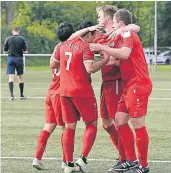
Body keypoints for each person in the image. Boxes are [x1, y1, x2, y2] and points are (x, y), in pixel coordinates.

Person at [71, 5, 140, 170]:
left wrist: (110, 58)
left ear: (108, 18)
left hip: (117, 82)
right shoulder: (100, 36)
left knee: (117, 122)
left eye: (100, 16)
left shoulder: (118, 35)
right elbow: (73, 38)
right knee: (106, 124)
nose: (98, 20)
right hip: (106, 83)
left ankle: (126, 158)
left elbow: (135, 28)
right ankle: (124, 155)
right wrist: (88, 29)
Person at [90, 9, 152, 173]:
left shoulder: (127, 34)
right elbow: (120, 60)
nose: (115, 26)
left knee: (138, 125)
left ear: (120, 23)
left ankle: (144, 166)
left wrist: (103, 47)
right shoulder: (123, 33)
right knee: (119, 119)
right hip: (129, 85)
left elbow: (124, 54)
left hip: (138, 84)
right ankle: (130, 160)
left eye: (116, 23)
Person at [52, 21, 110, 173]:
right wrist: (105, 60)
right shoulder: (84, 47)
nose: (96, 37)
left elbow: (53, 64)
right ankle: (82, 160)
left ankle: (68, 164)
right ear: (89, 33)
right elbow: (90, 68)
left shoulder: (63, 45)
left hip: (64, 92)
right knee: (91, 124)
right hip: (81, 91)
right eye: (94, 34)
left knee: (69, 128)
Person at [32, 22, 76, 171]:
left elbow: (53, 63)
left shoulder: (57, 48)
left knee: (48, 127)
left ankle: (37, 158)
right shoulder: (68, 49)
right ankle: (66, 161)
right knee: (66, 128)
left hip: (50, 92)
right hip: (60, 94)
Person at [3, 27, 28, 100]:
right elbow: (25, 51)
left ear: (12, 31)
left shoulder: (8, 39)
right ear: (19, 31)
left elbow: (5, 50)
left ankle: (11, 96)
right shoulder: (22, 39)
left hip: (10, 59)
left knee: (11, 77)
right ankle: (21, 95)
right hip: (19, 59)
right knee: (20, 77)